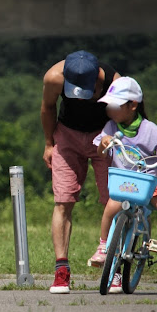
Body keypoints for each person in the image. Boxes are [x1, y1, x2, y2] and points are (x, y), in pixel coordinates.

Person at [93, 77, 157, 291]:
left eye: (115, 105)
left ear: (133, 105)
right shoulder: (111, 126)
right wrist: (104, 142)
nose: (110, 110)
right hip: (125, 182)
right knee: (111, 210)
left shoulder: (149, 129)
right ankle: (103, 249)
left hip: (151, 181)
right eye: (108, 105)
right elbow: (100, 148)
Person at [41, 50, 120, 294]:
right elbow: (48, 108)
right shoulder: (54, 77)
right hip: (67, 136)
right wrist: (48, 143)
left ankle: (114, 267)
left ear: (97, 76)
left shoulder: (113, 82)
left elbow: (129, 114)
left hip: (104, 137)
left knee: (114, 201)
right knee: (63, 201)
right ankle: (61, 271)